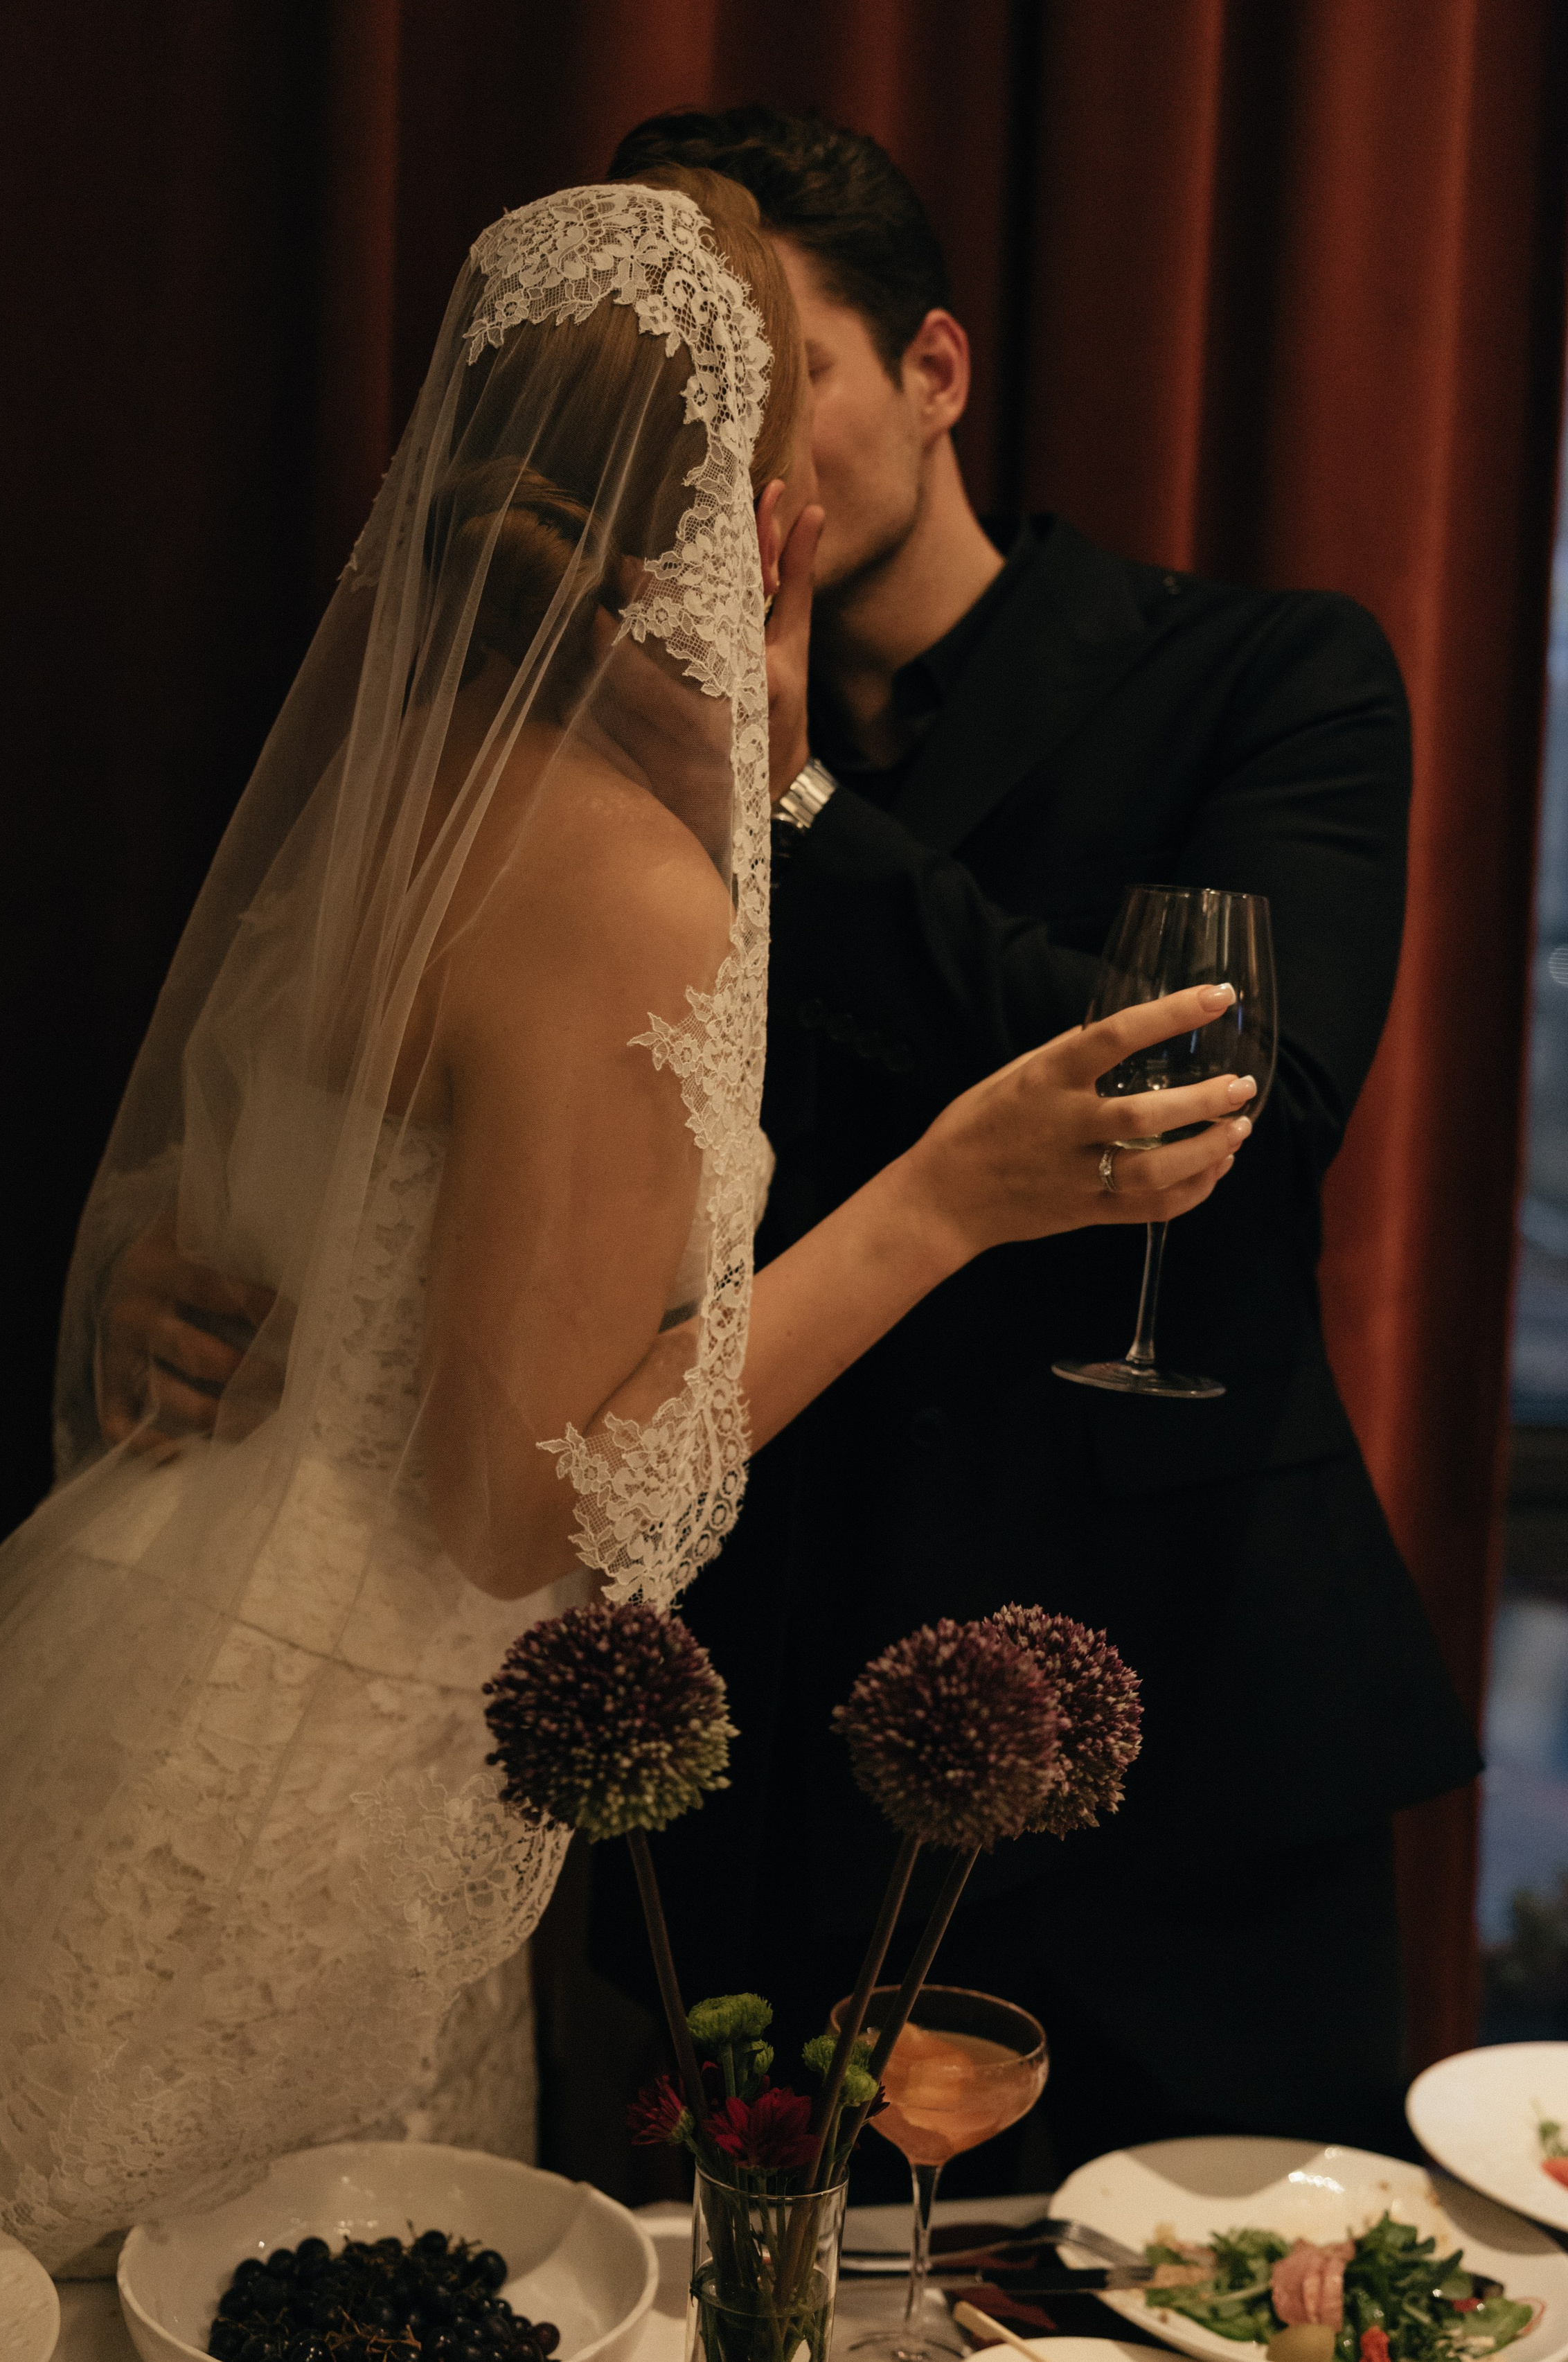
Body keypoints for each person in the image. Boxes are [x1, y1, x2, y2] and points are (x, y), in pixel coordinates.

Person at [0, 172, 1246, 2268]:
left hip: (156, 1655)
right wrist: (937, 1203)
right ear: (766, 520)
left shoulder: (424, 785)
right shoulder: (618, 883)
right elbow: (509, 1501)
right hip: (300, 1792)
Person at [573, 107, 1484, 2189]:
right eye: (684, 390)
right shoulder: (615, 732)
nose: (742, 447)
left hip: (1178, 1721)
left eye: (778, 370)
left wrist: (801, 814)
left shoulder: (1267, 673)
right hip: (765, 1726)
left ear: (935, 372)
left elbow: (1232, 1118)